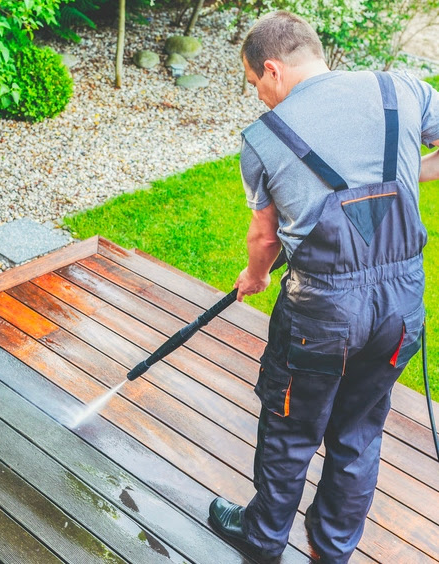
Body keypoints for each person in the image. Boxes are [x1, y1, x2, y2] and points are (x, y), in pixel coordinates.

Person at [208, 10, 439, 563]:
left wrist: (256, 276)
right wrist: (409, 172)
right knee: (360, 426)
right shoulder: (399, 88)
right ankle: (334, 545)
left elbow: (264, 238)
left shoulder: (264, 137)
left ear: (272, 70)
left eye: (254, 84)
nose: (260, 98)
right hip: (400, 307)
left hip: (322, 312)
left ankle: (263, 537)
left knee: (291, 428)